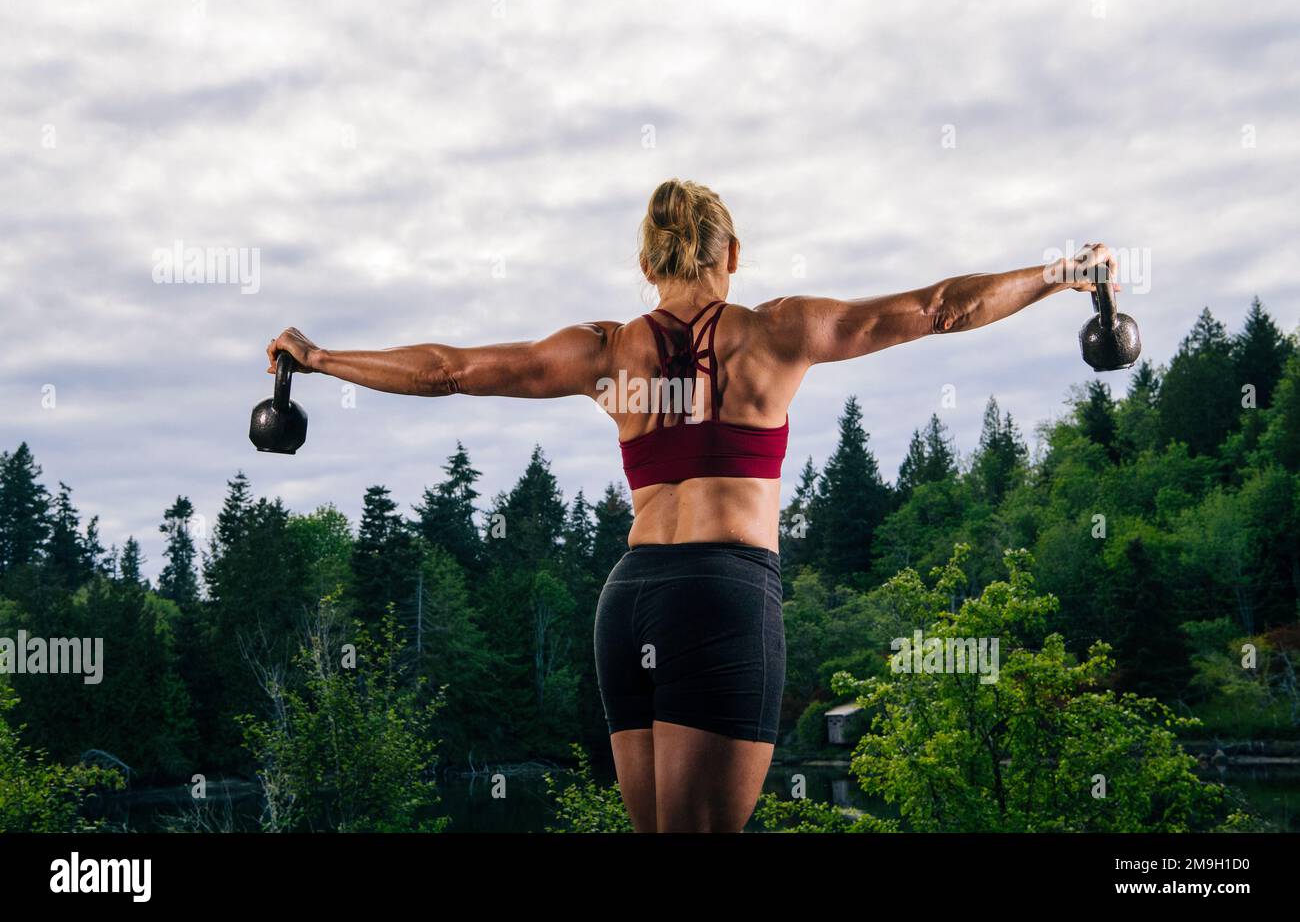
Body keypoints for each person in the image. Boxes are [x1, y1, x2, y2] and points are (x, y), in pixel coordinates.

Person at [265, 178, 1117, 832]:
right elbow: (941, 309)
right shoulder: (780, 331)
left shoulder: (604, 351)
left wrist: (322, 356)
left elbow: (450, 368)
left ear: (647, 264)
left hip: (629, 598)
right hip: (722, 594)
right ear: (732, 253)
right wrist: (1062, 273)